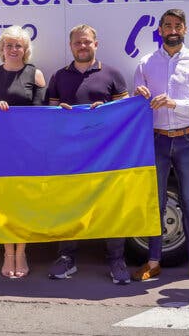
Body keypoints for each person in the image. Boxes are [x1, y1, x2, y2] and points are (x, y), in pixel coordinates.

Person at [132, 8, 189, 286]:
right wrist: (139, 94)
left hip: (186, 140)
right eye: (167, 25)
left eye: (178, 26)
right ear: (159, 30)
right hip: (156, 140)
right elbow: (137, 100)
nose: (172, 30)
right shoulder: (146, 63)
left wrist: (173, 104)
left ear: (185, 30)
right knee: (155, 202)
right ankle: (153, 262)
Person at [43, 24, 131, 285]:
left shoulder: (112, 74)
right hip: (70, 154)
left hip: (106, 153)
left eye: (87, 42)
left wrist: (106, 110)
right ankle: (67, 258)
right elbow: (50, 116)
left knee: (111, 206)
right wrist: (60, 112)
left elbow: (125, 113)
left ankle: (116, 260)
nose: (82, 46)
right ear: (71, 46)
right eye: (77, 43)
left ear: (96, 44)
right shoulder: (59, 77)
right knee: (69, 206)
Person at [0, 25, 46, 278]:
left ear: (25, 49)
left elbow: (40, 117)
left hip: (27, 150)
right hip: (0, 149)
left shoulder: (35, 74)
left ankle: (22, 252)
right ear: (2, 49)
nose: (13, 49)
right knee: (4, 202)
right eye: (9, 45)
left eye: (18, 45)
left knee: (24, 202)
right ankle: (8, 252)